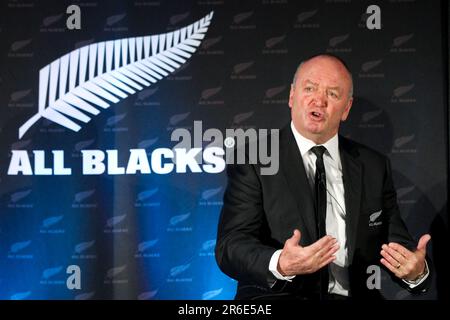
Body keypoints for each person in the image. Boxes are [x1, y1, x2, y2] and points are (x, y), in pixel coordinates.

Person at [215, 54, 431, 300]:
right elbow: (230, 246)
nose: (319, 100)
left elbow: (398, 248)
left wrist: (416, 271)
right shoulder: (256, 158)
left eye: (333, 94)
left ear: (346, 109)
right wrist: (280, 263)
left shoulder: (373, 166)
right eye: (309, 88)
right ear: (291, 96)